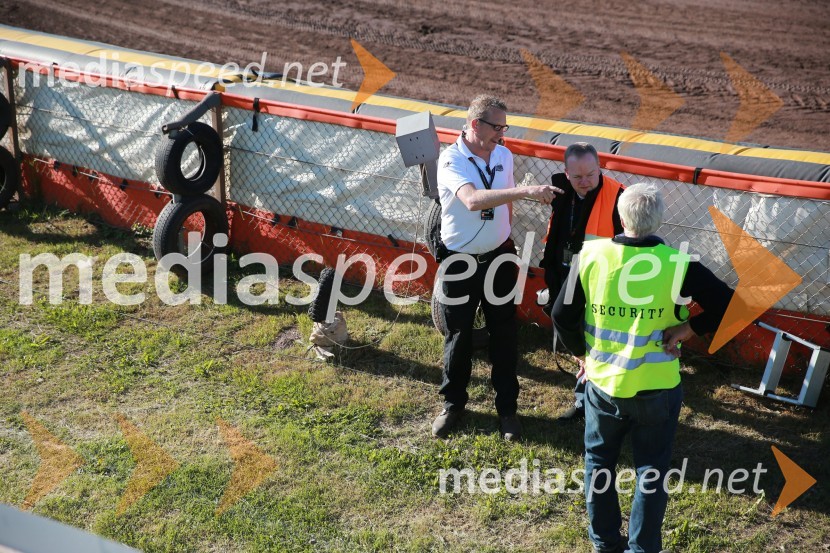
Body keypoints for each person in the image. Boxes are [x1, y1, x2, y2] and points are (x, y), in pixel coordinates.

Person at [552, 183, 733, 553]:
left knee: (599, 464)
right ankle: (643, 548)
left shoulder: (591, 254)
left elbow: (560, 315)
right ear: (660, 220)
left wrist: (580, 354)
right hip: (658, 387)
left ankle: (604, 543)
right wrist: (687, 329)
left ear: (620, 217)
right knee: (651, 471)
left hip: (603, 385)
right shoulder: (679, 263)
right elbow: (729, 303)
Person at [431, 94, 562, 441]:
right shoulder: (451, 160)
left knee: (504, 333)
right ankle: (453, 404)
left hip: (501, 256)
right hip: (460, 260)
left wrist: (507, 239)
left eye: (505, 127)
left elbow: (503, 204)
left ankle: (508, 410)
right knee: (458, 336)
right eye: (496, 127)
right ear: (475, 125)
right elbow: (473, 200)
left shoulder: (503, 153)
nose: (501, 135)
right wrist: (527, 190)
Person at [541, 142, 624, 421]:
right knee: (575, 337)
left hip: (602, 284)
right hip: (567, 275)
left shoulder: (619, 196)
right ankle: (584, 398)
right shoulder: (560, 193)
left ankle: (595, 402)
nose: (586, 182)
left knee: (597, 342)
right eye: (577, 177)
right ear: (566, 174)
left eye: (591, 174)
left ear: (599, 167)